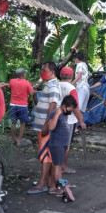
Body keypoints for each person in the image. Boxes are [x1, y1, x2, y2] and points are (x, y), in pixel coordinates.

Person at [27, 61, 61, 195]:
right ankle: (47, 181)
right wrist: (35, 95)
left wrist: (47, 124)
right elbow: (43, 105)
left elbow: (53, 105)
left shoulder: (53, 86)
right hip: (42, 125)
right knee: (46, 154)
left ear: (51, 71)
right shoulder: (49, 85)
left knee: (46, 155)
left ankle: (43, 184)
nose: (42, 71)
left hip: (45, 126)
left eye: (44, 69)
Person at [46, 95, 78, 195]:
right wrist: (57, 114)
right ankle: (58, 188)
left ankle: (57, 186)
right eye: (71, 108)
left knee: (59, 167)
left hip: (62, 144)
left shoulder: (64, 114)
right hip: (56, 144)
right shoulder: (55, 113)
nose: (71, 111)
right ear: (65, 105)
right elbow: (50, 127)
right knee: (56, 167)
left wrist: (66, 144)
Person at [59, 67, 86, 174]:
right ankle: (63, 167)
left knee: (56, 143)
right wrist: (81, 121)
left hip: (55, 117)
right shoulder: (71, 88)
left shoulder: (55, 85)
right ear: (71, 76)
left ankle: (55, 166)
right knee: (66, 145)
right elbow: (75, 107)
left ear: (60, 75)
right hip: (68, 119)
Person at [4, 68, 34, 146]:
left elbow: (9, 86)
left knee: (13, 123)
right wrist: (33, 90)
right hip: (23, 106)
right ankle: (19, 141)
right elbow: (31, 94)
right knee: (22, 123)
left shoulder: (12, 81)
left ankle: (13, 139)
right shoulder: (27, 83)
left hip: (13, 105)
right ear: (23, 75)